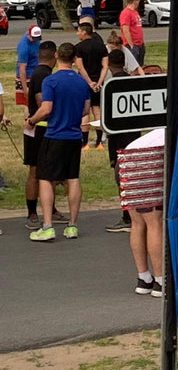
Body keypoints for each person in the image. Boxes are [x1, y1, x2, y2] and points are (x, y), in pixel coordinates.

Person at [25, 42, 91, 242]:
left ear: (56, 56)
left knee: (45, 178)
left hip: (54, 134)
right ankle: (72, 225)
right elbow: (85, 110)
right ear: (74, 59)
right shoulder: (81, 82)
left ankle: (47, 226)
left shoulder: (51, 81)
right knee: (73, 178)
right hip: (74, 135)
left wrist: (31, 120)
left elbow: (46, 108)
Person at [117, 128, 178, 297]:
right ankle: (161, 281)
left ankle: (144, 278)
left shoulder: (167, 128)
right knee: (154, 222)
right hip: (147, 162)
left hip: (128, 159)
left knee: (137, 223)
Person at [22, 41, 69, 230]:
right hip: (39, 128)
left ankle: (51, 208)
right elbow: (43, 103)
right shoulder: (43, 75)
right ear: (55, 55)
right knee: (35, 171)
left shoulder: (41, 73)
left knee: (48, 171)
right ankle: (32, 213)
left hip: (42, 128)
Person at [103, 49, 143, 233]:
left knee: (121, 176)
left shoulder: (111, 85)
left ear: (109, 65)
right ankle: (135, 211)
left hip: (118, 137)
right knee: (133, 174)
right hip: (134, 135)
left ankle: (127, 216)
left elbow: (107, 116)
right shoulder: (134, 82)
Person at [74, 22, 108, 150]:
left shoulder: (79, 48)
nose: (77, 33)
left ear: (84, 32)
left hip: (84, 82)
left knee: (85, 112)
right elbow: (105, 66)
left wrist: (89, 82)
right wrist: (99, 82)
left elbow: (80, 67)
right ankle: (99, 142)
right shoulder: (101, 46)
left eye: (78, 31)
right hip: (98, 82)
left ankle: (85, 143)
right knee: (97, 110)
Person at [16, 24, 42, 106]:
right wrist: (25, 88)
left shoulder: (36, 40)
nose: (35, 40)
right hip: (26, 76)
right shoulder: (24, 47)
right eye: (33, 38)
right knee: (28, 103)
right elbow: (22, 69)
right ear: (29, 34)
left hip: (35, 73)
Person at [119, 0, 146, 65]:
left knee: (140, 65)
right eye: (138, 0)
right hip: (132, 44)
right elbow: (125, 30)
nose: (139, 1)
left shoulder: (135, 12)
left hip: (140, 43)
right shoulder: (126, 13)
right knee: (133, 66)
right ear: (134, 1)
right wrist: (131, 45)